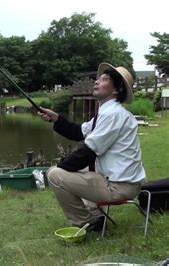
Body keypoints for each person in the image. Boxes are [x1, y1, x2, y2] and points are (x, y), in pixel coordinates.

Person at [38, 62, 146, 232]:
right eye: (98, 78)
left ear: (116, 90)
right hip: (114, 180)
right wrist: (56, 119)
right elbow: (79, 132)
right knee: (69, 172)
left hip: (120, 186)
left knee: (55, 175)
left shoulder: (113, 114)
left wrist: (60, 168)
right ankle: (95, 215)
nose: (96, 81)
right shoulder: (107, 112)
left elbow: (88, 151)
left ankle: (87, 223)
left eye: (104, 79)